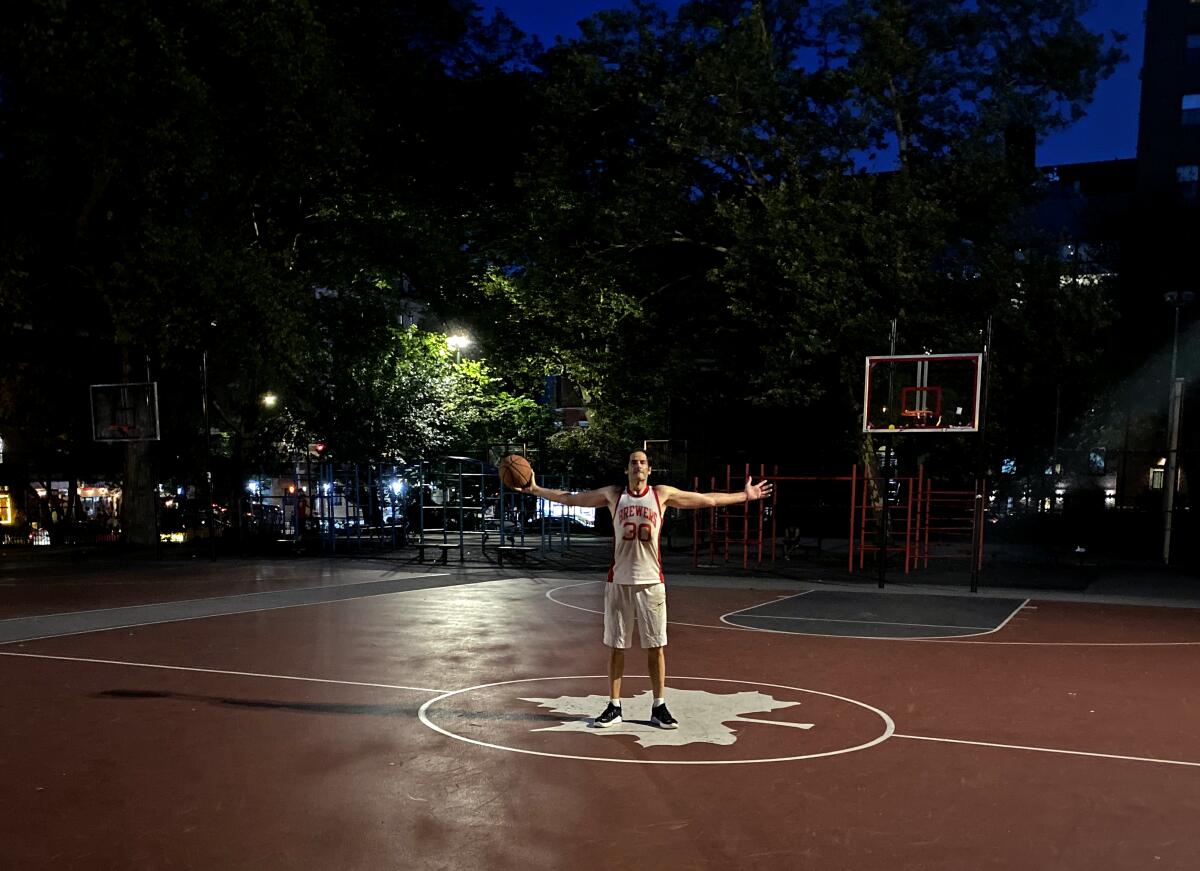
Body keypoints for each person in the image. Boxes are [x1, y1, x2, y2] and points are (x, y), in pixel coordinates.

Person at [521, 450, 773, 729]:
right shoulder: (613, 495)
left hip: (652, 581)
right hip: (619, 581)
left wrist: (745, 496)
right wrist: (534, 488)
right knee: (616, 646)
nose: (637, 466)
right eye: (633, 462)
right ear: (626, 469)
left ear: (649, 470)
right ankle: (614, 706)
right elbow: (571, 498)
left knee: (656, 646)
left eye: (642, 462)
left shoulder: (661, 494)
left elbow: (707, 499)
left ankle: (659, 706)